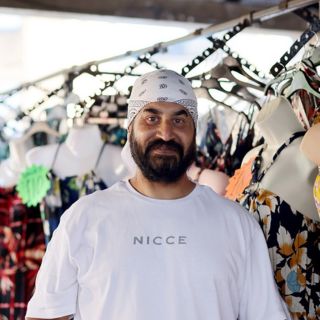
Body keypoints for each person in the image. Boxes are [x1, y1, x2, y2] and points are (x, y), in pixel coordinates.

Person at [26, 69, 289, 320]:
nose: (165, 133)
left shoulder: (237, 224)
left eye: (179, 119)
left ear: (194, 131)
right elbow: (46, 314)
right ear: (130, 128)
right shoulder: (84, 218)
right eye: (151, 118)